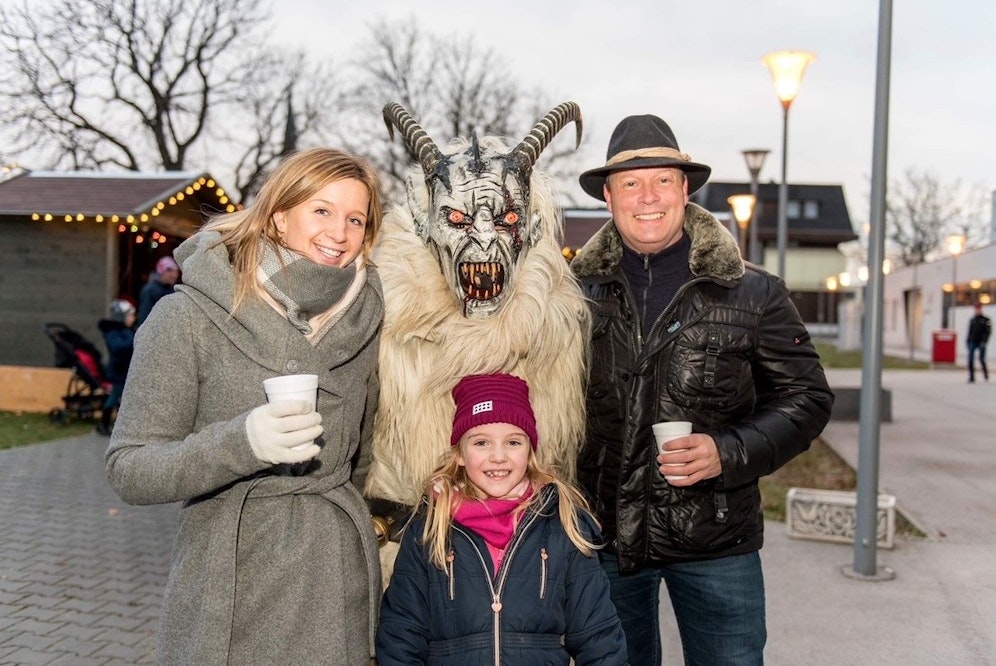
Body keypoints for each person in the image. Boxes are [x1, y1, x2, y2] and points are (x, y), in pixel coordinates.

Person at [105, 147, 386, 665]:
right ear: (279, 215)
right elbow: (130, 469)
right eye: (321, 210)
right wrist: (243, 443)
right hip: (232, 576)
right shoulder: (186, 316)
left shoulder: (366, 318)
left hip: (338, 575)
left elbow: (362, 456)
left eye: (356, 219)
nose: (340, 233)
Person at [570, 114, 834, 666]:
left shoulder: (753, 292)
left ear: (685, 189)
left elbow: (807, 399)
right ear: (609, 198)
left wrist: (727, 451)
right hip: (605, 539)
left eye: (662, 180)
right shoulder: (569, 296)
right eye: (631, 183)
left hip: (716, 539)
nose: (648, 196)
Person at [376, 373, 627, 666]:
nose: (498, 456)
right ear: (459, 453)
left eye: (513, 442)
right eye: (481, 443)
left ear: (530, 450)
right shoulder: (430, 528)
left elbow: (600, 637)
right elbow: (401, 635)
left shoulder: (563, 524)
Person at [96, 299, 136, 436]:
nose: (133, 318)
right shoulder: (113, 332)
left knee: (122, 398)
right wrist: (133, 340)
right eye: (130, 315)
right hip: (118, 371)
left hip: (125, 371)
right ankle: (103, 423)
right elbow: (117, 348)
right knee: (115, 397)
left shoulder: (127, 330)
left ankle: (120, 425)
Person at [137, 255, 180, 326]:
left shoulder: (174, 289)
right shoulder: (150, 290)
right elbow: (144, 316)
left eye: (176, 272)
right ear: (161, 271)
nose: (174, 275)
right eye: (169, 271)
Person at [966, 301, 991, 382]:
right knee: (970, 359)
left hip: (981, 342)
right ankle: (972, 377)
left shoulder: (986, 320)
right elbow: (970, 331)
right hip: (972, 341)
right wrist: (968, 341)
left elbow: (988, 332)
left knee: (981, 359)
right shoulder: (972, 320)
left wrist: (985, 341)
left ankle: (985, 374)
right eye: (976, 309)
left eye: (979, 308)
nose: (977, 310)